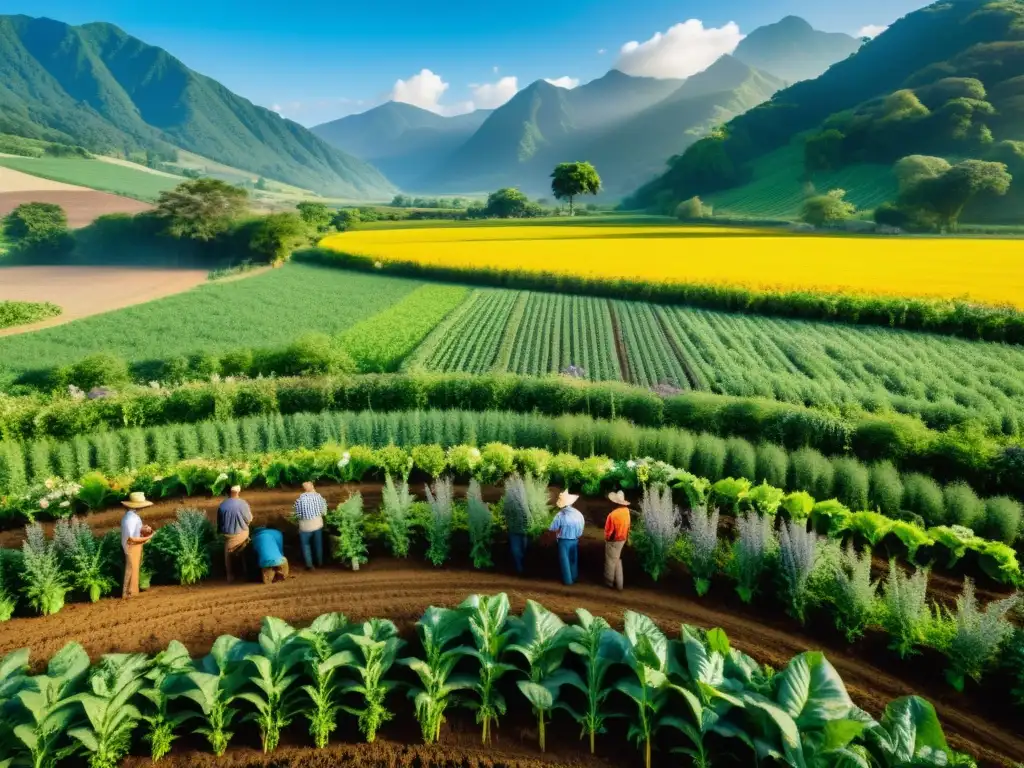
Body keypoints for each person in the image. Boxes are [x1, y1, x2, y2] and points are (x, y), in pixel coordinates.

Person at [120, 492, 155, 599]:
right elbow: (131, 538)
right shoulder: (130, 518)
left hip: (135, 546)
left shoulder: (133, 516)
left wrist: (144, 529)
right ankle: (127, 593)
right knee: (130, 569)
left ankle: (132, 592)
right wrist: (149, 537)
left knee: (134, 568)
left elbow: (136, 531)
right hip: (131, 546)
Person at [549, 490, 585, 586]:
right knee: (573, 558)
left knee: (564, 560)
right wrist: (578, 535)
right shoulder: (578, 514)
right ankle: (574, 576)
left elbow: (552, 527)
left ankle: (568, 581)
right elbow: (581, 527)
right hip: (575, 539)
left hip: (563, 541)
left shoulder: (560, 515)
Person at [218, 485, 252, 583]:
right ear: (238, 492)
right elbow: (249, 519)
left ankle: (230, 575)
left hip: (228, 535)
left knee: (227, 553)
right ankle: (245, 571)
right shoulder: (243, 504)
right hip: (242, 533)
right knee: (245, 547)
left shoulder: (222, 505)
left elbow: (220, 524)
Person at [293, 481, 327, 570]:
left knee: (306, 545)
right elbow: (324, 511)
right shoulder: (319, 497)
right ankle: (320, 563)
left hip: (305, 527)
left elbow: (298, 515)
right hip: (317, 524)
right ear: (312, 487)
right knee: (318, 544)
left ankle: (309, 565)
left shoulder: (298, 500)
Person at [604, 490, 632, 591]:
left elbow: (609, 531)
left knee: (610, 561)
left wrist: (607, 539)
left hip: (614, 540)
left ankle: (609, 582)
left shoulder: (613, 515)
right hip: (623, 539)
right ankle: (620, 583)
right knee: (617, 559)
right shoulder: (627, 511)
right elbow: (629, 526)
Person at [506, 486, 530, 575]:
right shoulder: (511, 503)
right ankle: (520, 568)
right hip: (516, 530)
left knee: (522, 549)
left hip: (522, 530)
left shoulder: (524, 503)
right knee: (517, 550)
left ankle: (522, 567)